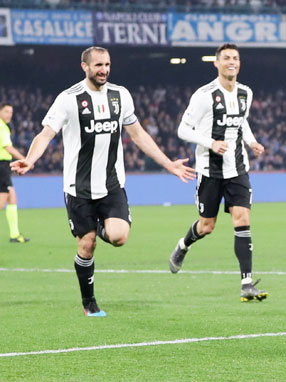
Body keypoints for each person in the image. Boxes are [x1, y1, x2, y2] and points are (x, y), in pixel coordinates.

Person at [10, 46, 196, 317]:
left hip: (111, 184)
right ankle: (89, 303)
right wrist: (30, 159)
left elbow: (138, 134)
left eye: (107, 64)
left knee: (119, 237)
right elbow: (45, 134)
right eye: (98, 65)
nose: (104, 70)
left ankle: (95, 226)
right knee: (86, 245)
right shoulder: (68, 99)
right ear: (84, 67)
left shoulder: (120, 96)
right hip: (78, 187)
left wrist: (168, 163)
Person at [168, 43, 268, 302]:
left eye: (235, 58)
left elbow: (241, 120)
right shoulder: (205, 95)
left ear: (239, 62)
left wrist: (251, 141)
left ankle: (246, 283)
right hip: (209, 171)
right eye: (226, 58)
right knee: (206, 226)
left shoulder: (246, 93)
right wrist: (210, 143)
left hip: (237, 168)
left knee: (242, 218)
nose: (231, 62)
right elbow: (183, 129)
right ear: (217, 63)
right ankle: (183, 245)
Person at [0, 103, 29, 243]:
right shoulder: (1, 126)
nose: (9, 114)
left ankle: (14, 234)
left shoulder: (4, 126)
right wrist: (25, 159)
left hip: (4, 166)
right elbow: (8, 147)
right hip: (1, 166)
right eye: (6, 111)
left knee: (12, 198)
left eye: (11, 112)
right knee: (2, 202)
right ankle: (15, 235)